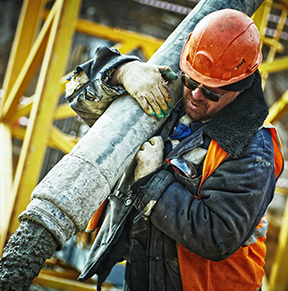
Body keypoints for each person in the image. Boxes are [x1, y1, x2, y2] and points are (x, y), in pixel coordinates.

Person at [66, 9, 284, 291]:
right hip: (145, 276)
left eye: (211, 92)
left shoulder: (255, 149)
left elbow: (218, 235)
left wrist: (151, 181)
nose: (195, 96)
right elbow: (77, 95)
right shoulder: (171, 95)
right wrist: (122, 72)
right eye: (192, 81)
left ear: (239, 88)